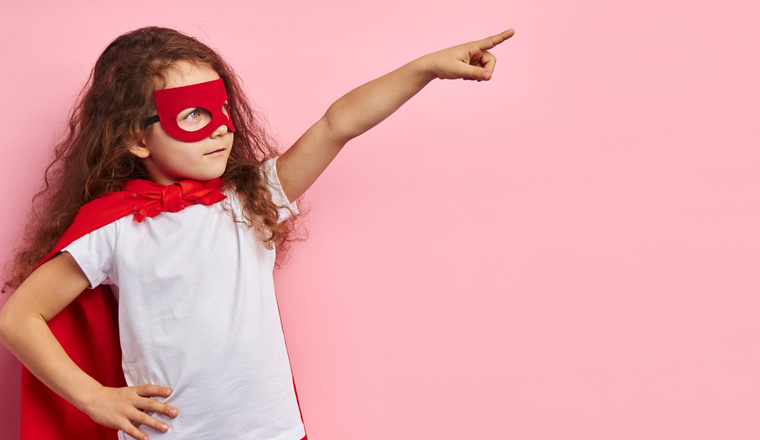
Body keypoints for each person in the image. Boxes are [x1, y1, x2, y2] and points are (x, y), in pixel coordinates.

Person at [0, 26, 515, 440]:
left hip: (270, 431)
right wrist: (96, 398)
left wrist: (423, 68)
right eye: (194, 113)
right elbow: (20, 318)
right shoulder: (113, 228)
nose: (222, 127)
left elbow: (338, 123)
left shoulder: (251, 199)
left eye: (222, 109)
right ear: (137, 136)